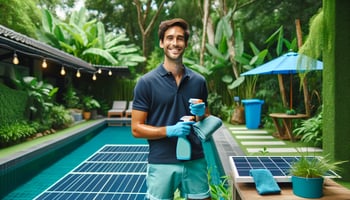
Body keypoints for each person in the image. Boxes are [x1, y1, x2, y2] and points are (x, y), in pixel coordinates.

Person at [131, 18, 211, 200]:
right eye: (169, 38)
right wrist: (170, 131)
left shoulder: (199, 81)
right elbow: (136, 128)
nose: (175, 43)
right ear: (161, 43)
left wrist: (201, 114)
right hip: (161, 163)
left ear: (186, 43)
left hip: (195, 160)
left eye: (180, 38)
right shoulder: (146, 83)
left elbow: (205, 117)